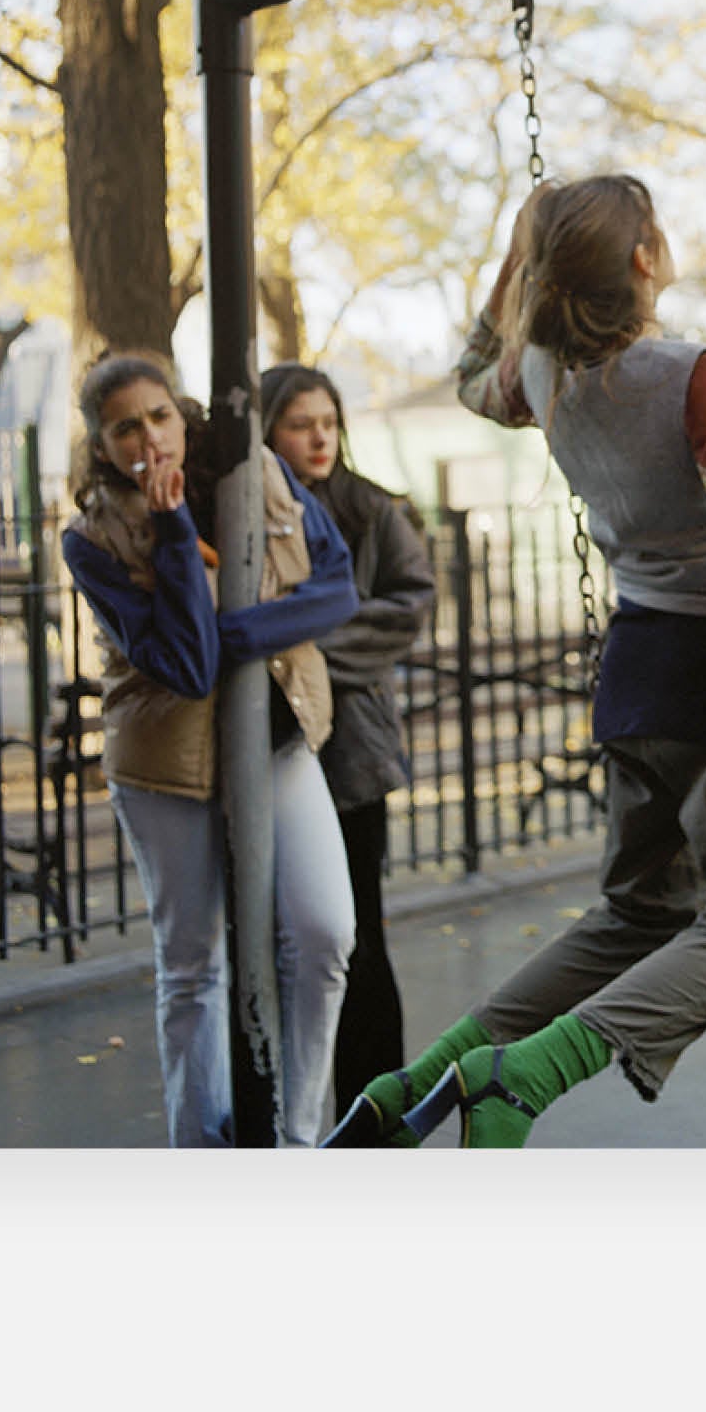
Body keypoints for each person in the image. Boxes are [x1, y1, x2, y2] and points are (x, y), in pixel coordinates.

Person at [327, 174, 706, 1149]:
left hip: (637, 673)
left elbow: (470, 371)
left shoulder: (540, 376)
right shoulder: (698, 375)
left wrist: (516, 251)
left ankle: (421, 1078)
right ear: (645, 260)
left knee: (638, 912)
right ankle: (520, 1077)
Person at [60, 351, 360, 1148]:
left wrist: (239, 635)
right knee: (194, 967)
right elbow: (189, 666)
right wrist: (173, 531)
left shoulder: (252, 468)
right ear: (102, 445)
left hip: (276, 737)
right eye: (126, 427)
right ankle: (201, 1150)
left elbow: (337, 587)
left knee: (325, 933)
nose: (149, 438)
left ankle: (296, 1139)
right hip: (169, 766)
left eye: (159, 416)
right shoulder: (91, 539)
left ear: (181, 412)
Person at [261, 361, 437, 1117]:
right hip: (265, 741)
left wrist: (303, 647)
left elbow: (409, 606)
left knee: (357, 937)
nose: (320, 437)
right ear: (269, 430)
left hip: (353, 754)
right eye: (302, 423)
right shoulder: (252, 513)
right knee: (281, 941)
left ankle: (374, 1110)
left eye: (329, 421)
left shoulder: (374, 510)